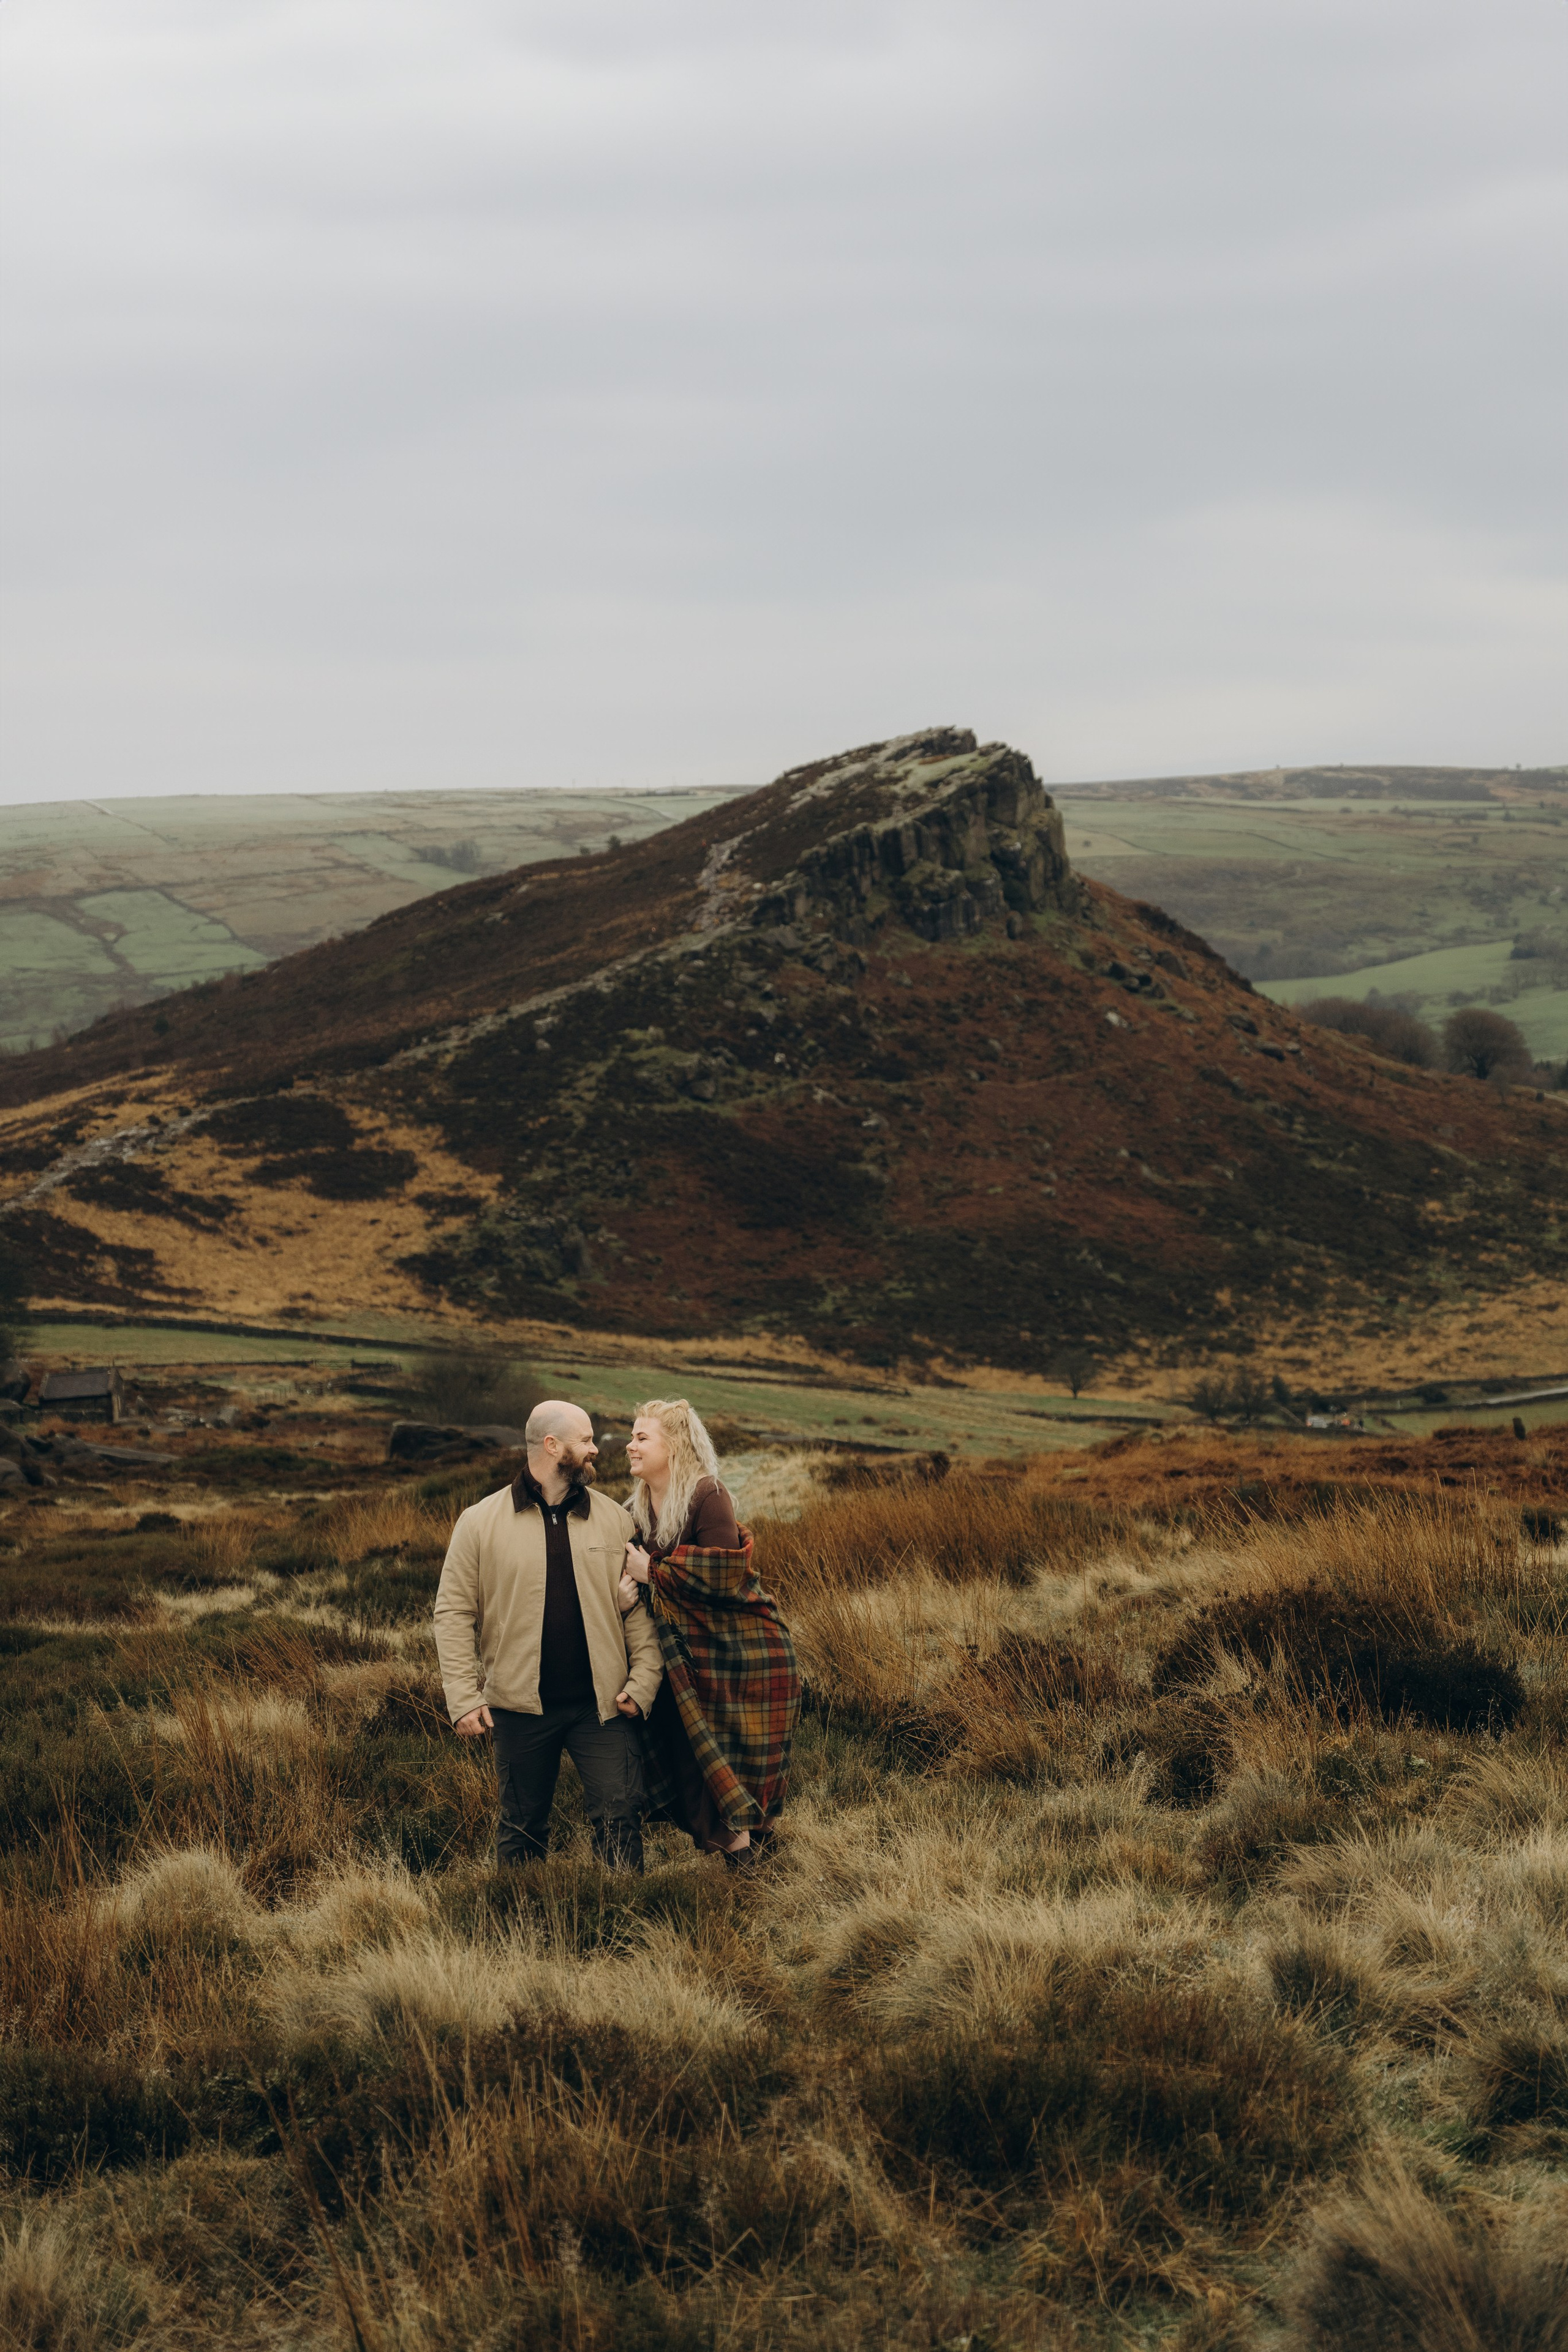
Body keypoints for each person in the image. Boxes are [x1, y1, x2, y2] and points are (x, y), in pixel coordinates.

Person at [432, 1398, 663, 1872]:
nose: (597, 1449)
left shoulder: (616, 1520)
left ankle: (627, 1930)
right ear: (552, 1445)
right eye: (586, 1440)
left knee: (620, 1817)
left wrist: (643, 1685)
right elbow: (453, 1613)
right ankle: (519, 1934)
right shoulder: (479, 1523)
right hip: (518, 1708)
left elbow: (637, 1611)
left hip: (602, 1706)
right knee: (521, 1828)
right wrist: (463, 1697)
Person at [617, 1398, 801, 1866]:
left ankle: (748, 1861)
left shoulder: (707, 1494)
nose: (630, 1446)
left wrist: (653, 1571)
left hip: (741, 1653)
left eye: (642, 1437)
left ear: (674, 1445)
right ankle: (749, 1857)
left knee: (727, 1756)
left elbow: (723, 1579)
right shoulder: (638, 1507)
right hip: (681, 1660)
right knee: (687, 1757)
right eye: (632, 1436)